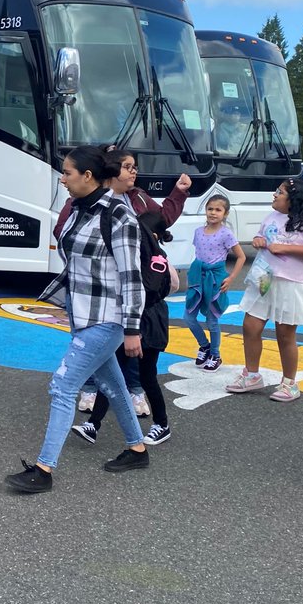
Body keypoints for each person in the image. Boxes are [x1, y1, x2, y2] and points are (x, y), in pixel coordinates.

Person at [5, 146, 148, 494]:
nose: (62, 178)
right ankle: (137, 448)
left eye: (67, 173)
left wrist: (132, 329)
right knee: (113, 386)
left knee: (63, 386)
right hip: (82, 314)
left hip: (108, 318)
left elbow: (132, 277)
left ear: (88, 176)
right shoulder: (77, 210)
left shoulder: (119, 217)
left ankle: (44, 470)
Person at [54, 149, 192, 416]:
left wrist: (178, 193)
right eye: (128, 166)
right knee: (90, 341)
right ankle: (92, 389)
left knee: (131, 338)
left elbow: (161, 219)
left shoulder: (136, 197)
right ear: (111, 171)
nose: (133, 172)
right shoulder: (80, 201)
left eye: (134, 167)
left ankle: (134, 391)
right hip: (90, 288)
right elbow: (63, 232)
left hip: (130, 284)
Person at [226, 179, 303, 402]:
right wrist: (258, 240)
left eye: (280, 192)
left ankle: (289, 383)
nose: (274, 195)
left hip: (291, 282)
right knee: (250, 325)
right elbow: (261, 235)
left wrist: (284, 247)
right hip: (264, 277)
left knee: (285, 334)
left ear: (293, 199)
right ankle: (252, 374)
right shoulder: (272, 217)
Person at [183, 194, 245, 372]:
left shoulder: (226, 234)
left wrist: (231, 277)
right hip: (198, 278)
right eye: (210, 209)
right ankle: (204, 346)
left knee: (212, 320)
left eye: (218, 210)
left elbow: (241, 257)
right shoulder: (198, 232)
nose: (213, 213)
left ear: (225, 214)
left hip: (215, 280)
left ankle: (215, 355)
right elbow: (198, 255)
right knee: (189, 317)